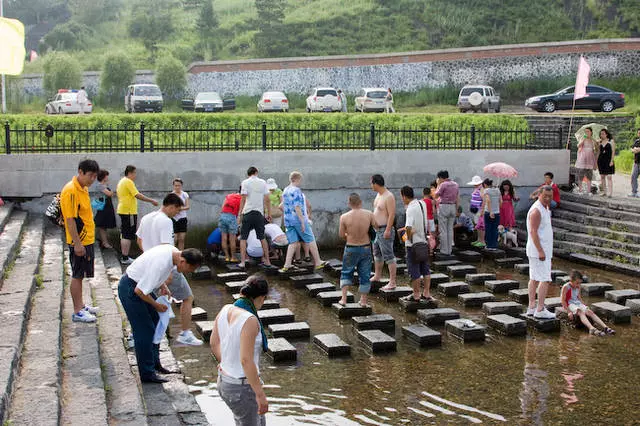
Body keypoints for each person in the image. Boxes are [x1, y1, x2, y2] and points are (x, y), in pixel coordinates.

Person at [118, 245, 203, 383]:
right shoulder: (161, 263)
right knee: (144, 330)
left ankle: (155, 364)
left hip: (139, 285)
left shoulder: (173, 252)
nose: (187, 273)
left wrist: (163, 285)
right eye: (189, 269)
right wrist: (156, 305)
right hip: (131, 288)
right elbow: (139, 292)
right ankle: (147, 373)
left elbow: (153, 274)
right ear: (183, 261)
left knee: (156, 321)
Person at [136, 193, 203, 346]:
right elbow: (167, 248)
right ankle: (185, 332)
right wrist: (168, 275)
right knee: (187, 297)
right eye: (176, 210)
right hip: (166, 265)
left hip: (149, 264)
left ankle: (159, 335)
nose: (176, 214)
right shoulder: (166, 222)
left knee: (157, 300)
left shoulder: (147, 217)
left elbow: (139, 240)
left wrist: (148, 255)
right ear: (171, 206)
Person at [210, 275, 270, 425]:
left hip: (224, 380)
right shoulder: (249, 320)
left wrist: (226, 363)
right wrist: (260, 393)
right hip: (241, 387)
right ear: (262, 297)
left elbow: (214, 342)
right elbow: (245, 360)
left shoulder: (226, 309)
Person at [60, 159, 101, 323]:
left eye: (95, 176)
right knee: (77, 275)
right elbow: (69, 220)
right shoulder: (70, 191)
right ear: (80, 172)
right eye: (90, 175)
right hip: (79, 241)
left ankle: (81, 305)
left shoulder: (82, 189)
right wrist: (77, 243)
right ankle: (77, 311)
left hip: (87, 239)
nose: (92, 179)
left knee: (82, 275)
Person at [280, 171, 324, 271]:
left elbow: (282, 205)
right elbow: (297, 207)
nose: (301, 182)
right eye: (300, 180)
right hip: (298, 219)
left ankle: (287, 265)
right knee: (310, 238)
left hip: (288, 220)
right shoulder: (296, 191)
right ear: (297, 179)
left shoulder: (285, 190)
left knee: (293, 242)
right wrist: (303, 221)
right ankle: (318, 262)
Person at [338, 193, 377, 306]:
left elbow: (341, 235)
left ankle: (344, 299)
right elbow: (376, 226)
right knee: (365, 274)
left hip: (351, 248)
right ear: (360, 202)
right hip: (365, 248)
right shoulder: (369, 214)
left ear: (349, 203)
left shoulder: (344, 217)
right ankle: (363, 301)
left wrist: (349, 235)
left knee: (346, 272)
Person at [399, 186, 435, 303]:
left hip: (412, 245)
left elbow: (409, 229)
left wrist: (404, 238)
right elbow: (420, 223)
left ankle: (416, 295)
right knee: (425, 269)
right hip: (423, 242)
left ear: (404, 196)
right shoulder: (421, 204)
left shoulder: (410, 208)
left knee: (414, 271)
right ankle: (427, 292)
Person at [116, 165, 158, 264]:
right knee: (127, 234)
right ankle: (125, 257)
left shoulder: (122, 181)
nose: (135, 175)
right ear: (130, 173)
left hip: (124, 210)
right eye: (135, 173)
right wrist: (151, 200)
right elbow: (137, 194)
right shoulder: (128, 182)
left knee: (124, 233)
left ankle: (125, 256)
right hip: (129, 211)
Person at [526, 185, 556, 319]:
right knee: (545, 279)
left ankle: (532, 306)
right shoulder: (536, 210)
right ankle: (540, 308)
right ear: (539, 195)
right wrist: (540, 251)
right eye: (545, 196)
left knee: (534, 278)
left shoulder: (545, 208)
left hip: (541, 249)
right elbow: (533, 231)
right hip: (539, 250)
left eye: (550, 196)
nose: (548, 199)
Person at [561, 270, 615, 336]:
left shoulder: (578, 286)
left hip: (576, 302)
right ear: (571, 280)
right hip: (569, 303)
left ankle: (605, 327)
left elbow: (579, 297)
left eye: (580, 283)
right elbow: (563, 300)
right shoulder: (566, 287)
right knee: (580, 311)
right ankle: (591, 328)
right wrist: (569, 311)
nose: (578, 285)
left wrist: (584, 305)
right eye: (577, 283)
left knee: (589, 311)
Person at [238, 167, 272, 268]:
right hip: (259, 213)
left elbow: (243, 200)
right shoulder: (263, 182)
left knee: (243, 238)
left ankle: (243, 262)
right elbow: (267, 199)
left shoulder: (245, 182)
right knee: (262, 238)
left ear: (248, 174)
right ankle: (268, 261)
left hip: (247, 212)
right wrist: (268, 213)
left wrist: (240, 215)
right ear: (256, 172)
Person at [370, 174, 398, 290]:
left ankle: (392, 282)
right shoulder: (378, 195)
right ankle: (377, 275)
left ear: (376, 183)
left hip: (385, 229)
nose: (370, 186)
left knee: (389, 256)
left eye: (371, 183)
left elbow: (392, 214)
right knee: (377, 254)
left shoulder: (389, 196)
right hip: (376, 230)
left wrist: (387, 230)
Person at [434, 170, 459, 255]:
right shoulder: (456, 184)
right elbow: (457, 197)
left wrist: (438, 185)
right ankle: (449, 250)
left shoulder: (443, 184)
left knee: (443, 230)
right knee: (450, 229)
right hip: (452, 207)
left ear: (441, 178)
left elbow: (436, 195)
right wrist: (457, 208)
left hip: (444, 207)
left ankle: (444, 251)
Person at [94, 169, 116, 249]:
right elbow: (109, 194)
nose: (108, 177)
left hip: (105, 206)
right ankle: (104, 242)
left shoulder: (103, 185)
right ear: (103, 177)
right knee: (101, 224)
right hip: (103, 206)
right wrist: (112, 192)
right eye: (106, 176)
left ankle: (104, 241)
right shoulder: (100, 185)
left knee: (104, 225)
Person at [220, 190, 242, 262]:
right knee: (232, 239)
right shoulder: (242, 199)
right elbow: (241, 212)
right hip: (232, 217)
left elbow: (222, 207)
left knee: (224, 238)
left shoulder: (229, 195)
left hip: (223, 216)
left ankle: (227, 256)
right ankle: (233, 257)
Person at [575, 127, 597, 195]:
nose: (586, 133)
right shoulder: (582, 138)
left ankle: (588, 190)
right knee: (581, 174)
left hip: (590, 158)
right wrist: (584, 139)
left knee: (589, 174)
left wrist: (593, 140)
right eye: (586, 131)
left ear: (591, 132)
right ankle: (580, 190)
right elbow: (578, 146)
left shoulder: (593, 140)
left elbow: (596, 148)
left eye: (588, 131)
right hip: (583, 158)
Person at [172, 178, 190, 250]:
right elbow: (169, 207)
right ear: (173, 186)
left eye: (179, 185)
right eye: (176, 185)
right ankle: (172, 254)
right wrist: (174, 209)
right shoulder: (171, 195)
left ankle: (181, 255)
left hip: (182, 218)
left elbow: (187, 206)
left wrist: (179, 208)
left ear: (181, 186)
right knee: (174, 239)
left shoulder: (185, 194)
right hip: (173, 218)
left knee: (182, 239)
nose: (177, 187)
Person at [597, 129, 616, 198]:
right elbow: (598, 152)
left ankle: (610, 193)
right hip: (601, 160)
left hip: (608, 160)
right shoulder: (600, 142)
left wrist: (611, 161)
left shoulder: (611, 141)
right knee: (602, 176)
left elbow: (613, 152)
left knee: (609, 177)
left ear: (606, 134)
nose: (602, 135)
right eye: (601, 134)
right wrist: (597, 144)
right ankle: (604, 192)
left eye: (603, 134)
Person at [468, 175, 485, 248]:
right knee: (477, 225)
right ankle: (478, 240)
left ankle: (482, 240)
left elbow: (484, 199)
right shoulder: (477, 189)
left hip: (479, 209)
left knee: (481, 226)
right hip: (476, 209)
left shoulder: (481, 189)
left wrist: (482, 210)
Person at [627, 128, 640, 198]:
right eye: (639, 133)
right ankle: (634, 192)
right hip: (636, 162)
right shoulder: (637, 141)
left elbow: (637, 150)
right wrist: (636, 150)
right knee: (633, 177)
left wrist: (637, 149)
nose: (639, 134)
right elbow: (632, 149)